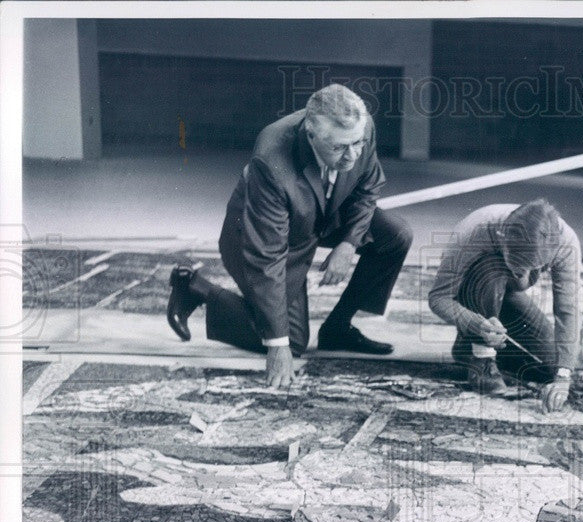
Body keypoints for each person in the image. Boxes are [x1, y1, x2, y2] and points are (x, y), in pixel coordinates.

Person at [167, 83, 412, 387]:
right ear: (310, 135)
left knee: (396, 235)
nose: (351, 156)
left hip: (324, 210)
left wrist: (349, 242)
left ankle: (338, 328)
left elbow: (367, 187)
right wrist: (277, 345)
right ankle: (194, 287)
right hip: (261, 232)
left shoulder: (360, 127)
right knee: (291, 340)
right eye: (338, 148)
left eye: (357, 144)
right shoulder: (271, 160)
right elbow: (265, 257)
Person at [427, 200, 581, 412]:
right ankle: (481, 357)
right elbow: (439, 298)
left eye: (533, 268)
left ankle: (465, 347)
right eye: (518, 266)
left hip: (507, 294)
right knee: (490, 271)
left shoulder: (566, 242)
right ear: (501, 238)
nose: (524, 275)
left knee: (552, 366)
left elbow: (568, 310)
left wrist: (563, 375)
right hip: (476, 291)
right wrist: (476, 325)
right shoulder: (474, 231)